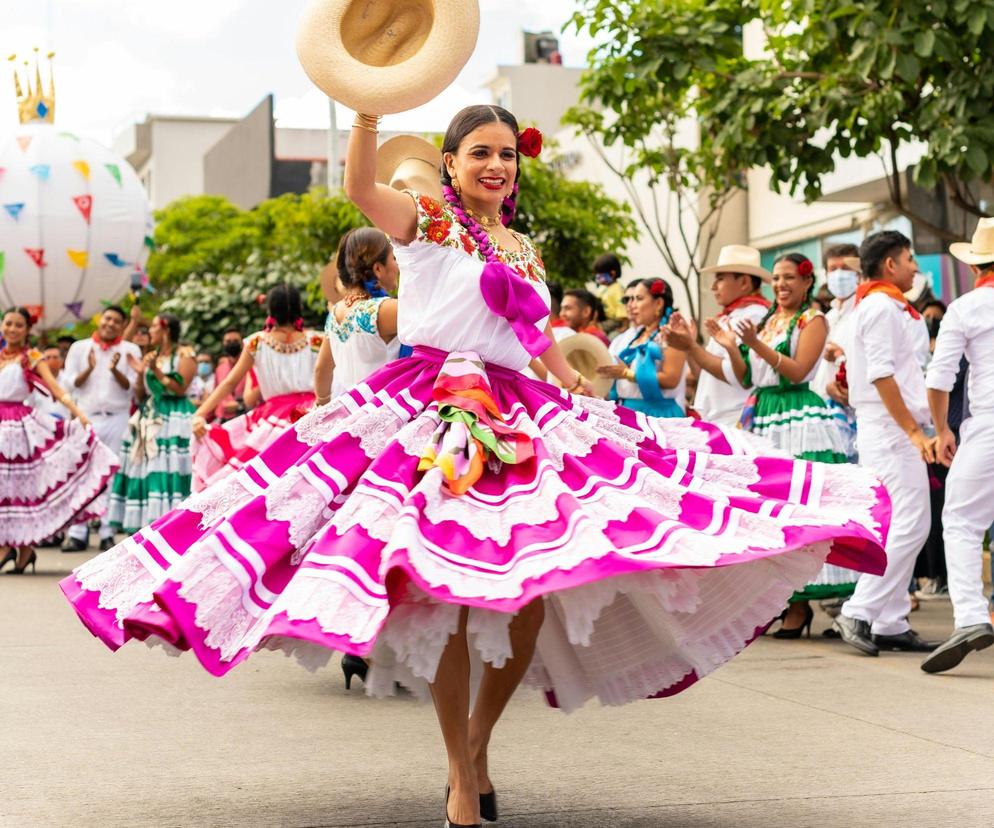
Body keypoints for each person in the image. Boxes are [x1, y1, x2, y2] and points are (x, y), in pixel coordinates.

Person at [61, 105, 888, 828]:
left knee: (528, 596)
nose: (496, 166)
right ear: (451, 165)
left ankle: (477, 746)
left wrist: (578, 385)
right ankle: (461, 773)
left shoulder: (525, 248)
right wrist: (367, 116)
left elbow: (534, 342)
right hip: (424, 414)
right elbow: (358, 189)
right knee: (450, 599)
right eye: (480, 152)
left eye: (508, 155)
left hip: (523, 417)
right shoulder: (423, 223)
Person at [704, 253, 851, 635]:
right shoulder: (771, 319)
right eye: (777, 278)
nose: (781, 284)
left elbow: (799, 369)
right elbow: (748, 375)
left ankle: (799, 605)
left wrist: (755, 343)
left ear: (806, 282)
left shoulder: (812, 319)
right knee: (764, 506)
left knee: (797, 504)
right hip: (764, 411)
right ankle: (777, 599)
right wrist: (734, 348)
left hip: (796, 413)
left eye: (789, 278)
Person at [833, 231, 939, 656]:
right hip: (891, 427)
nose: (916, 267)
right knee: (914, 522)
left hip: (889, 424)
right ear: (891, 265)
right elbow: (880, 375)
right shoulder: (879, 306)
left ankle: (889, 620)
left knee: (898, 523)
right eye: (910, 259)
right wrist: (914, 431)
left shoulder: (878, 305)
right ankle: (859, 608)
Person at [921, 218, 994, 673]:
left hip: (987, 426)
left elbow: (940, 376)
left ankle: (969, 616)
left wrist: (942, 430)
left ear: (974, 267)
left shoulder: (966, 308)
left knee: (962, 521)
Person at [0, 307, 118, 574]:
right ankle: (14, 547)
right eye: (9, 323)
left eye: (19, 325)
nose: (13, 329)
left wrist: (80, 416)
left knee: (17, 490)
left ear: (27, 330)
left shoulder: (30, 357)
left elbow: (57, 389)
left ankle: (17, 547)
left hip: (17, 430)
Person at [191, 284, 323, 491]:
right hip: (314, 413)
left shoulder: (257, 343)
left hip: (272, 418)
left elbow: (230, 382)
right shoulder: (318, 339)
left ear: (270, 311)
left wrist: (200, 413)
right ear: (299, 309)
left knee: (259, 482)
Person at [61, 306, 143, 553]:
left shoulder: (130, 350)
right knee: (83, 473)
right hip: (86, 416)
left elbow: (133, 388)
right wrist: (88, 368)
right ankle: (78, 532)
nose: (111, 324)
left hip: (117, 417)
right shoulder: (79, 347)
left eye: (117, 321)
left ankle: (107, 531)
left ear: (122, 325)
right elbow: (69, 385)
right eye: (108, 318)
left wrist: (115, 370)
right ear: (100, 319)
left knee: (111, 473)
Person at [107, 313, 196, 533]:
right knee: (146, 467)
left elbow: (180, 388)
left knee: (170, 465)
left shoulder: (185, 354)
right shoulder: (151, 355)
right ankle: (148, 525)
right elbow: (140, 394)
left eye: (155, 327)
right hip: (151, 413)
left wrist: (154, 370)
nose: (151, 332)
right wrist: (140, 375)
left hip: (174, 416)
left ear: (166, 330)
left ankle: (174, 524)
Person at [664, 244, 771, 426]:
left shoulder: (754, 315)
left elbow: (736, 374)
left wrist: (691, 346)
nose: (714, 286)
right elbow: (703, 374)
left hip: (737, 417)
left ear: (744, 282)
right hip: (719, 418)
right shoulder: (728, 317)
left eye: (720, 279)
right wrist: (689, 348)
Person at [315, 227, 400, 404]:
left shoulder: (335, 312)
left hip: (348, 413)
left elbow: (321, 369)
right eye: (394, 258)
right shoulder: (385, 310)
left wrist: (321, 405)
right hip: (383, 413)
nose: (398, 266)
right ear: (378, 268)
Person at [598, 277, 687, 417]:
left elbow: (671, 379)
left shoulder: (672, 334)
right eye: (630, 299)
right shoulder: (635, 337)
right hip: (627, 411)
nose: (631, 305)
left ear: (658, 303)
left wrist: (626, 374)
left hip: (657, 414)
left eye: (638, 299)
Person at [812, 245, 862, 460]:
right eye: (833, 268)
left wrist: (843, 357)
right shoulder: (828, 317)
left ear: (859, 272)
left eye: (845, 267)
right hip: (824, 414)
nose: (839, 274)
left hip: (854, 417)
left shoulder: (864, 311)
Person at [212, 328, 248, 422]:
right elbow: (216, 394)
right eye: (228, 341)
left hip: (246, 415)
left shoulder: (251, 366)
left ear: (242, 342)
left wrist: (240, 405)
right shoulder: (220, 368)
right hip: (223, 419)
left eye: (235, 341)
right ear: (223, 343)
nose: (232, 343)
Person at [591, 252, 627, 332]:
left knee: (599, 328)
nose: (598, 277)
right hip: (603, 318)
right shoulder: (601, 288)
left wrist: (624, 326)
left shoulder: (617, 289)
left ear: (612, 273)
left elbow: (622, 306)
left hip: (615, 320)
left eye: (600, 275)